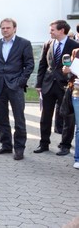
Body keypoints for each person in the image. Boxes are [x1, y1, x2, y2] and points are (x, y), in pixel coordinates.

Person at [0, 18, 34, 161]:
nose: (5, 30)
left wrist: (21, 81)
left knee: (19, 118)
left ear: (15, 28)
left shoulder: (24, 43)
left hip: (15, 86)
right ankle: (6, 145)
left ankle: (19, 149)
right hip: (0, 85)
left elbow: (30, 65)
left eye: (8, 28)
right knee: (1, 118)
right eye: (3, 28)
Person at [34, 20, 79, 155]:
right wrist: (38, 84)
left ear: (61, 30)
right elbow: (42, 64)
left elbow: (76, 67)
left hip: (65, 85)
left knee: (67, 116)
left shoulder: (74, 45)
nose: (50, 32)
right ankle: (44, 144)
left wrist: (69, 72)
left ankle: (65, 145)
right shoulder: (48, 44)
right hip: (48, 85)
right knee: (45, 116)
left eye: (52, 30)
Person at [62, 48, 79, 169]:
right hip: (77, 93)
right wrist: (67, 70)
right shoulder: (76, 52)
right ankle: (78, 158)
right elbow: (70, 74)